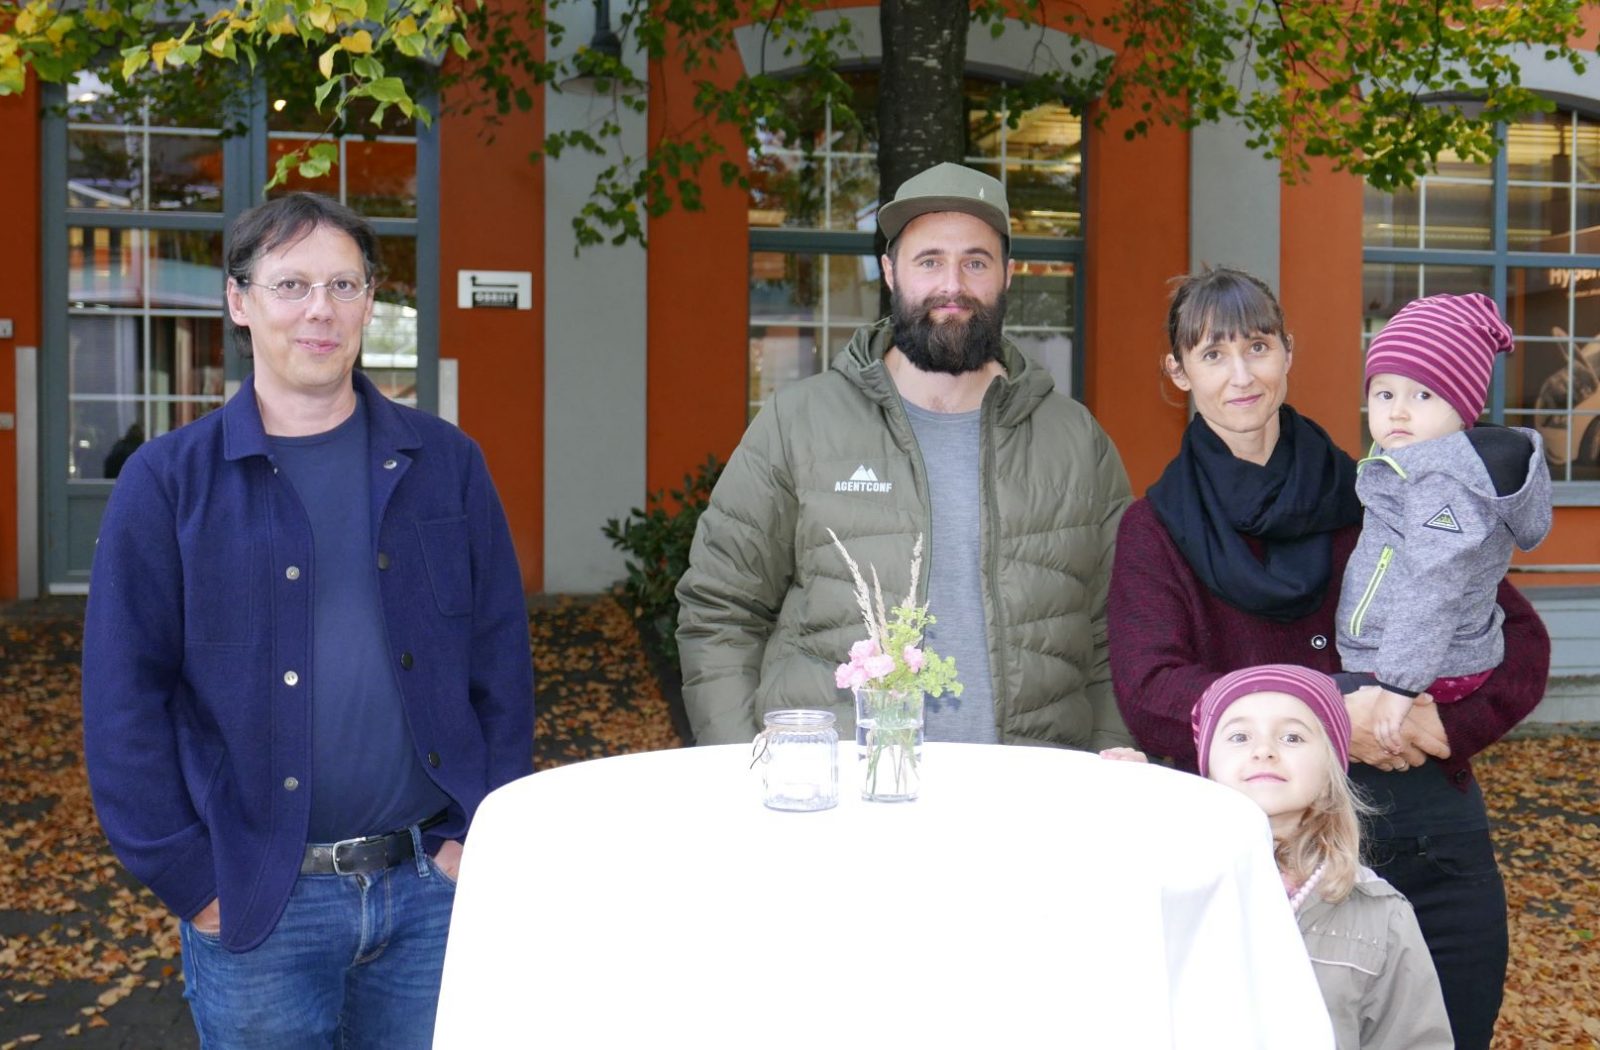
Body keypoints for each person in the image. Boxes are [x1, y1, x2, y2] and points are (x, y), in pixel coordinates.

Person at [81, 192, 534, 1048]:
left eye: (343, 284)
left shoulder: (447, 466)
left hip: (431, 892)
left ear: (370, 301)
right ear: (239, 301)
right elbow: (122, 704)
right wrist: (195, 883)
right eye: (290, 285)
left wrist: (477, 835)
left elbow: (499, 665)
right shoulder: (168, 484)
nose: (319, 310)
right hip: (258, 908)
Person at [1107, 266, 1549, 1050]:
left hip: (1424, 836)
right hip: (1267, 857)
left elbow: (1518, 637)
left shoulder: (1381, 488)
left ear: (1289, 353)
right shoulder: (1157, 529)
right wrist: (1327, 715)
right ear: (1179, 373)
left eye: (1258, 346)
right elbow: (1151, 689)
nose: (1240, 374)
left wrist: (1443, 723)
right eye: (1212, 355)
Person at [677, 162, 1133, 750]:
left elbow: (1116, 634)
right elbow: (720, 609)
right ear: (891, 272)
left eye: (975, 261)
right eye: (929, 261)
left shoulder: (1076, 443)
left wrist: (1109, 770)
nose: (953, 284)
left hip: (1027, 806)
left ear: (1007, 275)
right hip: (840, 803)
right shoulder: (799, 424)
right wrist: (747, 759)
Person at [1103, 664, 1452, 1050]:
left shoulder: (1380, 914)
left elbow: (1414, 1040)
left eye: (1291, 736)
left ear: (1329, 774)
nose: (1264, 750)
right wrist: (1124, 819)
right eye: (1238, 735)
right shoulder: (1165, 881)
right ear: (1206, 770)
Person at [1340, 293, 1552, 753]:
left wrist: (1398, 686)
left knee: (1291, 718)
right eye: (1385, 393)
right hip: (1414, 658)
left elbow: (1432, 585)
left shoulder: (1445, 483)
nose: (1398, 410)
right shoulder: (1408, 463)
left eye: (1423, 394)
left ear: (1462, 409)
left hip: (1429, 667)